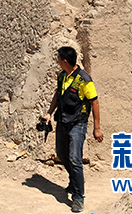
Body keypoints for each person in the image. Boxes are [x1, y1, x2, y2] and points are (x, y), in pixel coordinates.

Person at [42, 46, 103, 213]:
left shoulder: (84, 79)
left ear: (65, 61)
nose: (57, 62)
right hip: (62, 121)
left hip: (78, 123)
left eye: (58, 59)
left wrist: (96, 128)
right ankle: (74, 181)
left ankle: (78, 197)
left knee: (75, 158)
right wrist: (49, 113)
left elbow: (95, 103)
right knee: (62, 154)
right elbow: (57, 94)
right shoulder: (62, 76)